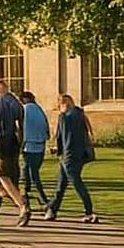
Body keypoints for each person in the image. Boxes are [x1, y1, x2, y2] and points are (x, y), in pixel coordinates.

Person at [43, 94, 99, 223]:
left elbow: (65, 138)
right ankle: (52, 208)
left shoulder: (65, 117)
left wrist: (60, 150)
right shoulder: (80, 115)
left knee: (77, 183)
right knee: (61, 184)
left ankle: (89, 212)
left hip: (69, 156)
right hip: (80, 154)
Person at [0, 80, 33, 226]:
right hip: (13, 142)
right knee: (10, 177)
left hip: (0, 143)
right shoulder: (14, 102)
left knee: (2, 176)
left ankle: (22, 205)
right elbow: (20, 123)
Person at [19, 91, 51, 209]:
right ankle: (25, 196)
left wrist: (21, 143)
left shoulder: (24, 110)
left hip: (29, 145)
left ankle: (43, 199)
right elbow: (46, 126)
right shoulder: (39, 109)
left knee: (33, 175)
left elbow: (22, 129)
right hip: (40, 144)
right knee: (27, 171)